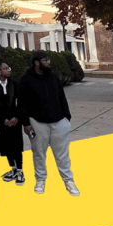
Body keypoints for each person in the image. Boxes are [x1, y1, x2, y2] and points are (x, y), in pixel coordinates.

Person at [17, 50, 79, 196]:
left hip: (59, 122)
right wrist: (26, 123)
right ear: (37, 62)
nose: (49, 62)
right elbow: (22, 103)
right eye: (46, 60)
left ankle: (68, 181)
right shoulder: (26, 79)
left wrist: (66, 118)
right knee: (39, 153)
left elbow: (62, 97)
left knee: (62, 154)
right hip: (37, 123)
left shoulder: (53, 77)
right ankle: (40, 180)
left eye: (49, 59)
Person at [0, 61, 24, 185]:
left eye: (9, 68)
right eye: (5, 68)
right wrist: (3, 119)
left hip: (15, 120)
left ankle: (20, 170)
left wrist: (16, 117)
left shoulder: (14, 84)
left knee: (16, 146)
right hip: (2, 121)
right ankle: (13, 169)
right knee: (6, 146)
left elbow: (20, 102)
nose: (9, 70)